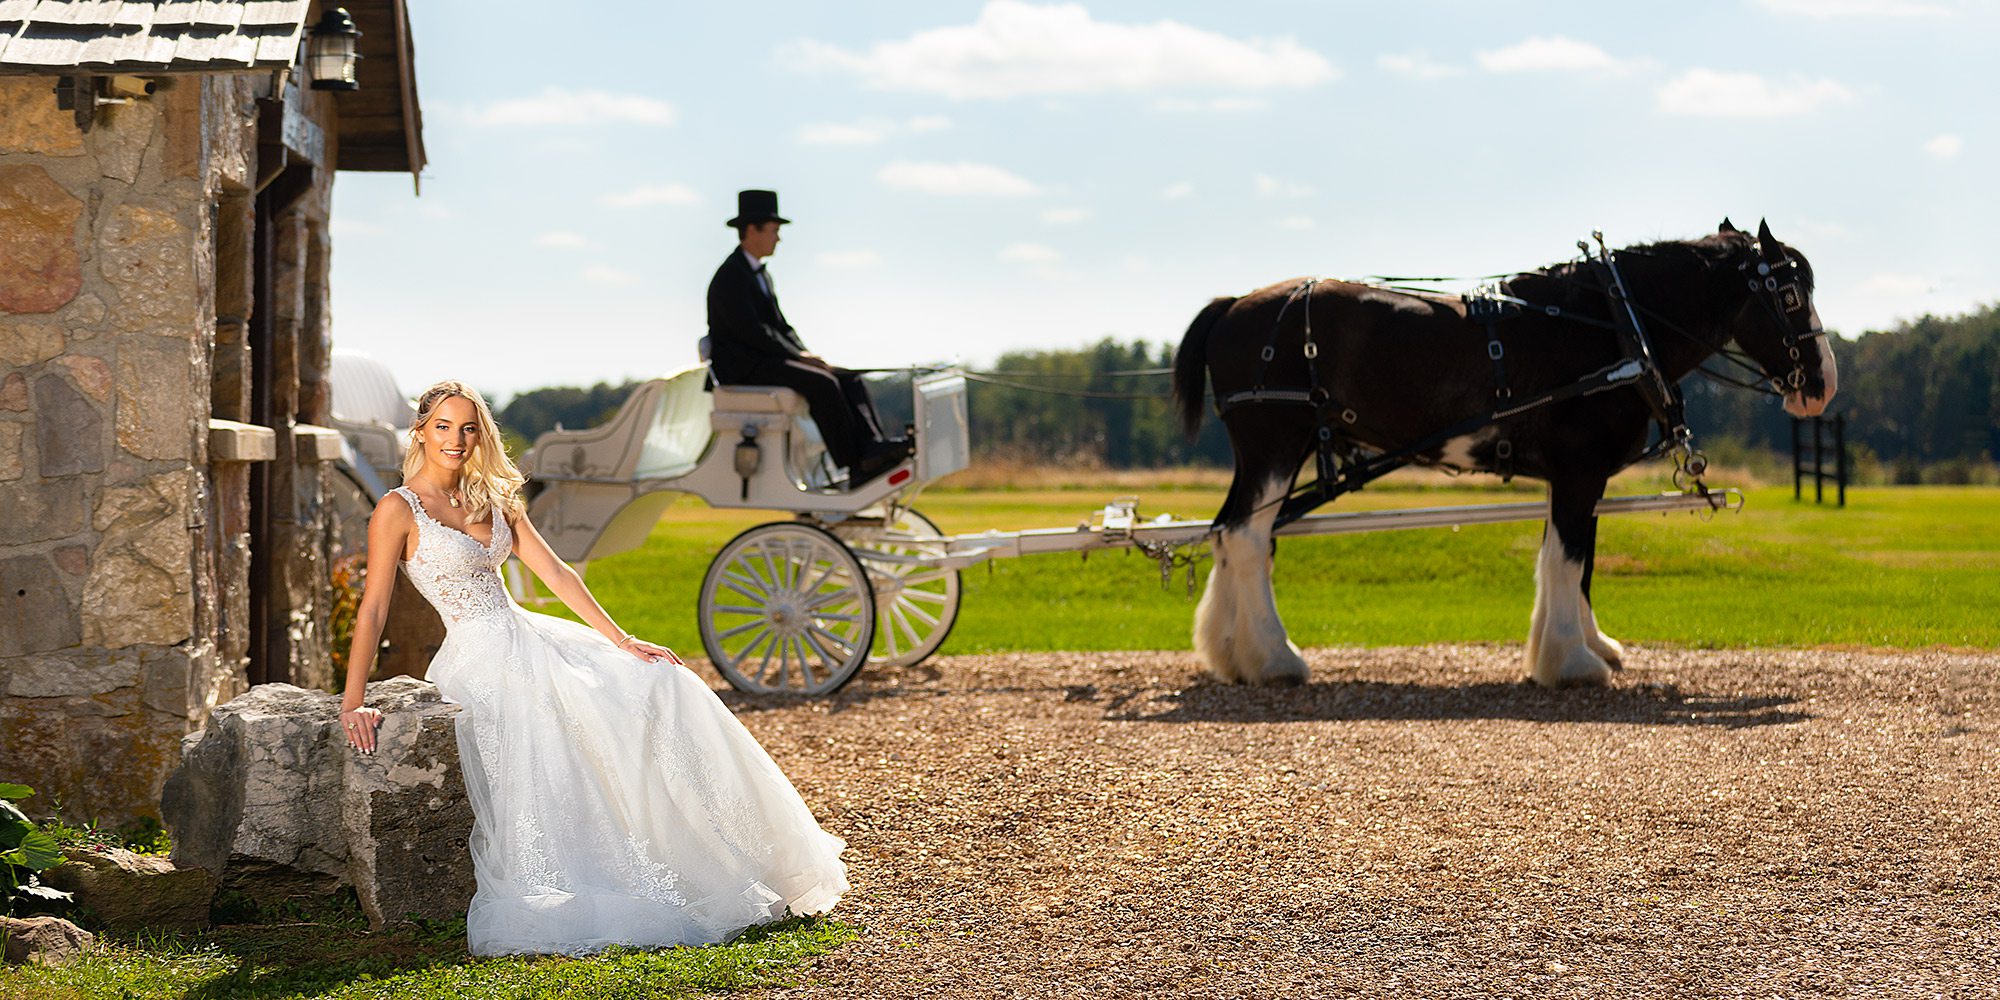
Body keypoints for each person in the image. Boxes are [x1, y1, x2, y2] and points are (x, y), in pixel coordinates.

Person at [337, 380, 847, 956]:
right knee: (557, 729)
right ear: (421, 432)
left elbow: (557, 574)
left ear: (481, 434)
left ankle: (726, 854)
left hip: (530, 633)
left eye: (468, 427)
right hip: (477, 656)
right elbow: (375, 604)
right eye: (444, 427)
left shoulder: (495, 498)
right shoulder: (398, 509)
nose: (456, 439)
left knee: (662, 683)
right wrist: (352, 700)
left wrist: (623, 639)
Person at [706, 189, 909, 484]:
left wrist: (807, 354)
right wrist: (797, 357)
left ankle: (872, 448)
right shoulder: (731, 276)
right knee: (823, 384)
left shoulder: (759, 274)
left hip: (764, 359)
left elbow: (782, 326)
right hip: (743, 366)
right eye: (774, 231)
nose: (778, 238)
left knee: (848, 377)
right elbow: (751, 332)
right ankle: (854, 464)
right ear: (752, 230)